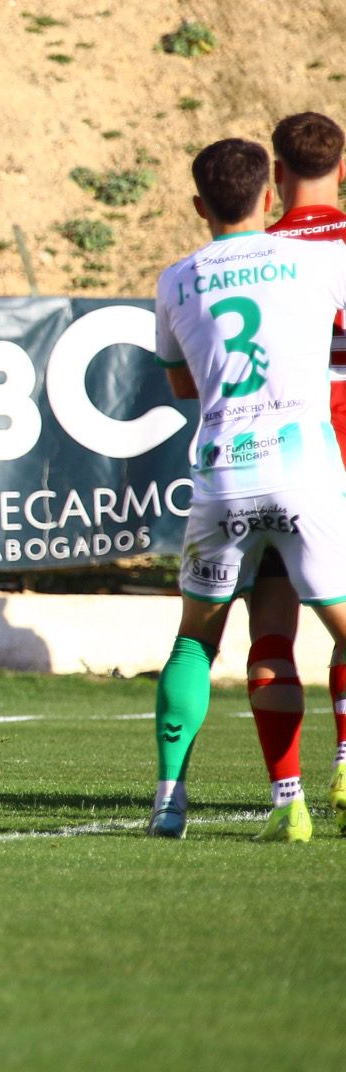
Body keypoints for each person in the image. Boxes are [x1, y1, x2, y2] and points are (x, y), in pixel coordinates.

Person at [147, 137, 346, 841]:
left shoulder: (174, 280)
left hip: (224, 477)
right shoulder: (322, 259)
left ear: (199, 205)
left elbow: (180, 383)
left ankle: (170, 801)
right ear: (270, 198)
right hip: (305, 476)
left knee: (196, 641)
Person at [238, 112, 346, 837]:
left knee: (271, 621)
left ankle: (288, 803)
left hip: (288, 451)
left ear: (276, 175)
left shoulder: (257, 254)